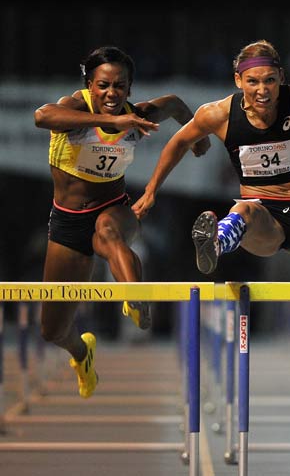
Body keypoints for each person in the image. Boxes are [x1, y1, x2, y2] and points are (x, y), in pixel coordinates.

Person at [132, 39, 290, 325]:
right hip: (263, 215)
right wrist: (151, 189)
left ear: (281, 77)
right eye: (253, 82)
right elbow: (178, 142)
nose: (262, 90)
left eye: (269, 81)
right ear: (238, 80)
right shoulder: (218, 113)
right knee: (244, 212)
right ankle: (217, 239)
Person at [34, 46, 210, 398]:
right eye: (103, 85)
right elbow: (41, 116)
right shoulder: (73, 106)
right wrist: (112, 122)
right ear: (89, 84)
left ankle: (135, 297)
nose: (111, 94)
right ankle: (82, 355)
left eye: (119, 86)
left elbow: (175, 103)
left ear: (129, 89)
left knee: (108, 233)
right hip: (67, 222)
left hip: (113, 207)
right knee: (52, 331)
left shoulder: (138, 113)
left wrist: (197, 138)